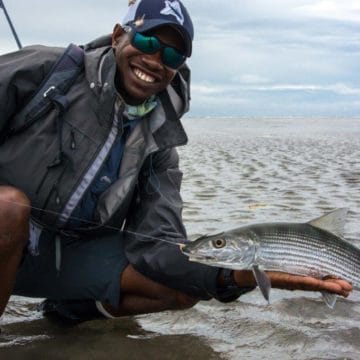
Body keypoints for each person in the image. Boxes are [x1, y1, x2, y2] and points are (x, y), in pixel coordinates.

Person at [0, 0, 352, 324]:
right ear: (119, 35)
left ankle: (64, 314)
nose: (156, 61)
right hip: (5, 230)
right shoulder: (47, 70)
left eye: (172, 55)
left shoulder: (160, 140)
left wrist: (231, 277)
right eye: (150, 43)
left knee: (184, 289)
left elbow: (157, 243)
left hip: (60, 257)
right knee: (9, 207)